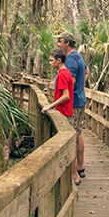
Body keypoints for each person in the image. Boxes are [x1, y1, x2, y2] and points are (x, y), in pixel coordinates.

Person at [42, 49, 82, 184]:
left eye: (52, 60)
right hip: (65, 112)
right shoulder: (65, 73)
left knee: (68, 148)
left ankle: (74, 175)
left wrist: (50, 105)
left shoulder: (62, 75)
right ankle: (71, 175)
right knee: (68, 146)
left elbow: (66, 96)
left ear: (59, 61)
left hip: (64, 113)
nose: (50, 63)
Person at [58, 32, 87, 180]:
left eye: (60, 41)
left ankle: (76, 171)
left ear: (67, 43)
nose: (58, 44)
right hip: (80, 98)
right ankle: (80, 167)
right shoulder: (79, 57)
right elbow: (86, 71)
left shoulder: (70, 59)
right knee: (78, 132)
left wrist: (65, 92)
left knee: (73, 135)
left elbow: (72, 80)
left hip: (74, 102)